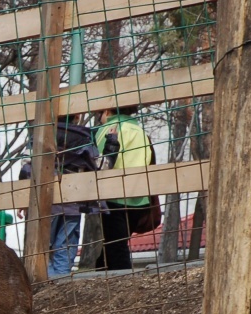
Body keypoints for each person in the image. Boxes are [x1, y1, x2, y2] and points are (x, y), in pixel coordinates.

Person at [19, 116, 100, 277]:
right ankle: (60, 285)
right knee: (66, 248)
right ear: (77, 117)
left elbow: (26, 167)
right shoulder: (84, 137)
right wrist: (112, 143)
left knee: (42, 250)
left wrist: (23, 199)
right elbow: (98, 166)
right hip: (72, 203)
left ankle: (46, 285)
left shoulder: (40, 135)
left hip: (43, 202)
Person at [93, 105, 154, 271]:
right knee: (114, 243)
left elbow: (98, 164)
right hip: (138, 198)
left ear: (107, 111)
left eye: (100, 115)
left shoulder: (107, 130)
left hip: (114, 198)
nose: (99, 119)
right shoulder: (140, 131)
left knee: (116, 247)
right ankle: (99, 274)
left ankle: (124, 280)